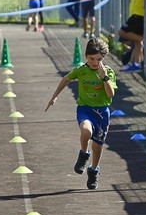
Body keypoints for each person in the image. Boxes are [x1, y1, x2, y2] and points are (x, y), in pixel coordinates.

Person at [45, 38, 116, 190]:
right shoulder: (81, 70)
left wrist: (104, 78)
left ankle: (93, 171)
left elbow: (110, 94)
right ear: (86, 56)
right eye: (92, 58)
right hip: (85, 109)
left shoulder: (108, 73)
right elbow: (66, 79)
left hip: (102, 113)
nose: (95, 62)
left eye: (98, 59)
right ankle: (84, 153)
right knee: (86, 130)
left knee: (98, 147)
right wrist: (54, 96)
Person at [118, 0, 145, 73]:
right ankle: (134, 63)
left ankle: (143, 39)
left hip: (139, 15)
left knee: (122, 33)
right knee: (135, 42)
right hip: (135, 15)